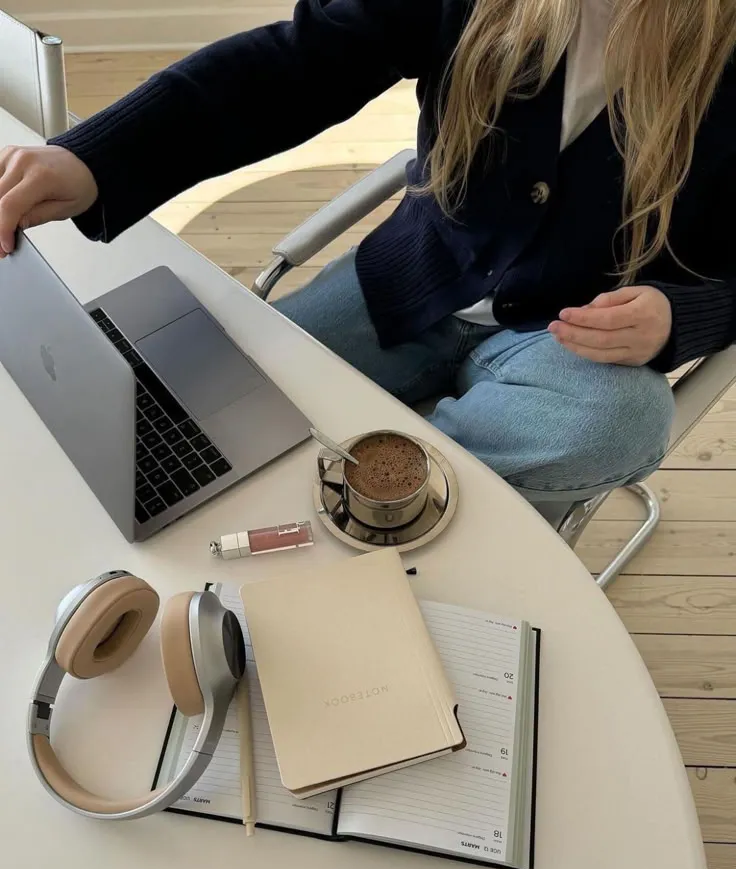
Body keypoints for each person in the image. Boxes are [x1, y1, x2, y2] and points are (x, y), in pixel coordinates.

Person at [1, 0, 735, 507]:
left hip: (577, 340)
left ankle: (369, 503)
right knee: (197, 407)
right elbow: (296, 64)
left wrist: (686, 315)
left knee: (619, 421)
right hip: (416, 278)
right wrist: (95, 160)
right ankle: (400, 495)